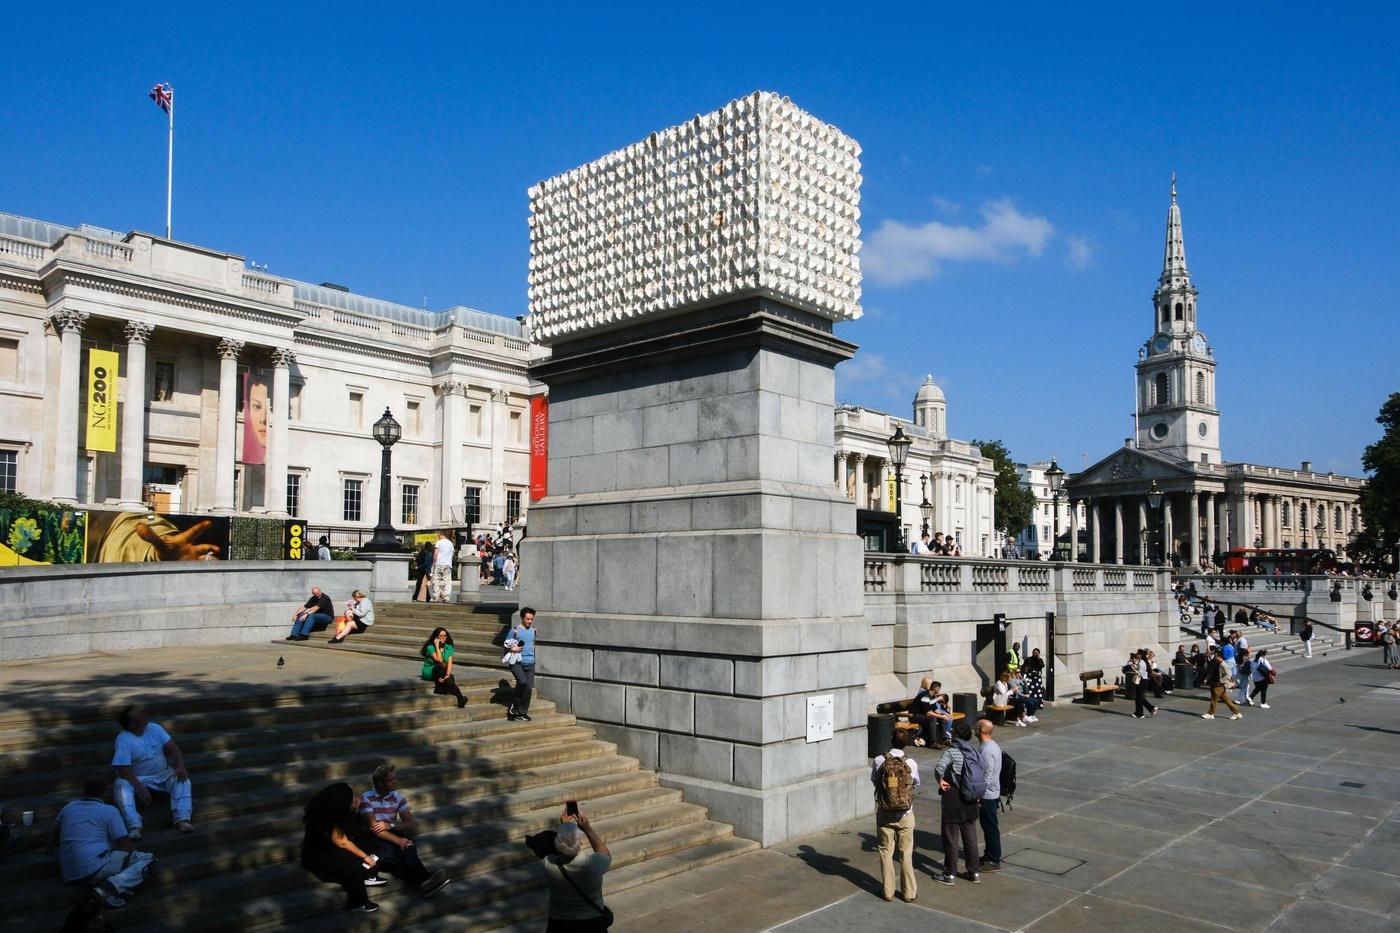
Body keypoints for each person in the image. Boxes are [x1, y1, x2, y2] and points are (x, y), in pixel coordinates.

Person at [47, 774, 156, 908]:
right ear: (104, 792)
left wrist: (48, 848)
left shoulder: (68, 808)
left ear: (83, 790)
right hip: (92, 869)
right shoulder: (109, 811)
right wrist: (131, 861)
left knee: (111, 856)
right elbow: (125, 843)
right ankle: (109, 889)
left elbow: (56, 832)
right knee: (147, 860)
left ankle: (114, 886)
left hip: (69, 872)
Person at [358, 764, 450, 897]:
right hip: (372, 840)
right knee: (396, 855)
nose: (395, 781)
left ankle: (425, 881)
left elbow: (411, 824)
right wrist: (397, 840)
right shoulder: (367, 798)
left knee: (407, 847)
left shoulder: (397, 797)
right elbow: (374, 828)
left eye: (395, 778)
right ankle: (425, 879)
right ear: (380, 783)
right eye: (391, 780)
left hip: (389, 832)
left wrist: (391, 826)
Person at [301, 783, 385, 914]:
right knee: (349, 859)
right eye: (350, 798)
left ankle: (369, 875)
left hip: (332, 849)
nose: (354, 798)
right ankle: (358, 902)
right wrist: (365, 856)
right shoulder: (325, 816)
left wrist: (357, 807)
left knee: (371, 842)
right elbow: (341, 842)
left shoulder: (335, 812)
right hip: (318, 857)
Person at [111, 706, 193, 838]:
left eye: (142, 713)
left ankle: (182, 819)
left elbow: (173, 747)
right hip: (136, 778)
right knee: (121, 785)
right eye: (140, 715)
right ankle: (134, 826)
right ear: (131, 723)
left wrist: (180, 766)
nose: (144, 714)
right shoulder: (124, 739)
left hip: (162, 774)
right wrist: (140, 788)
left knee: (182, 779)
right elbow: (122, 769)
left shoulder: (154, 728)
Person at [541, 806, 612, 932]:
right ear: (580, 842)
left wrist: (564, 828)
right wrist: (587, 828)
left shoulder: (547, 864)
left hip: (559, 925)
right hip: (591, 924)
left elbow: (558, 850)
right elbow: (605, 854)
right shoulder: (593, 864)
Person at [871, 731, 919, 902]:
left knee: (886, 852)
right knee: (905, 854)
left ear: (890, 740)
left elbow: (875, 780)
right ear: (906, 744)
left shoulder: (879, 760)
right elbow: (915, 782)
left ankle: (888, 891)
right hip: (906, 814)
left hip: (885, 813)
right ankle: (909, 892)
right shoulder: (911, 763)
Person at [934, 722, 981, 885]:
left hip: (953, 796)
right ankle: (974, 871)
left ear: (955, 735)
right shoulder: (974, 751)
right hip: (971, 797)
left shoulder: (952, 752)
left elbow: (939, 768)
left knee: (951, 836)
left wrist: (940, 781)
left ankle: (950, 874)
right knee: (971, 836)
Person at [975, 720, 1003, 872]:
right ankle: (989, 855)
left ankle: (993, 860)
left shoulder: (986, 750)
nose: (974, 729)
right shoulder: (992, 745)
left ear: (980, 731)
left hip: (988, 795)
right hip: (992, 793)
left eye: (976, 727)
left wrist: (979, 795)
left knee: (991, 828)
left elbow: (986, 775)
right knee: (988, 827)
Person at [421, 628, 468, 708]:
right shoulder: (430, 646)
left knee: (450, 677)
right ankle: (459, 697)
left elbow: (450, 662)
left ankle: (456, 697)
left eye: (445, 636)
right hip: (430, 671)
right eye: (441, 636)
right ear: (436, 637)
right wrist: (436, 645)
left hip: (441, 672)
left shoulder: (448, 646)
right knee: (441, 665)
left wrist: (447, 674)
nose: (443, 638)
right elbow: (439, 659)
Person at [508, 607, 538, 721]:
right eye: (527, 619)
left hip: (530, 663)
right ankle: (513, 707)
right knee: (522, 682)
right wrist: (513, 649)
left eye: (531, 619)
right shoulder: (514, 630)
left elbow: (533, 644)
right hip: (516, 662)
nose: (529, 621)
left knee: (528, 688)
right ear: (522, 618)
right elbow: (506, 645)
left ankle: (522, 712)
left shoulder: (534, 630)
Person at [1201, 646, 1242, 721]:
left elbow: (1229, 674)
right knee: (1226, 700)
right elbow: (1212, 671)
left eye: (1216, 656)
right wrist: (1207, 678)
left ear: (1219, 656)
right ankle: (1236, 713)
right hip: (1215, 683)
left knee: (1213, 699)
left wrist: (1221, 680)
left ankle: (1210, 713)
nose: (1215, 657)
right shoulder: (1216, 662)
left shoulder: (1223, 664)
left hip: (1218, 685)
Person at [1131, 650, 1158, 719]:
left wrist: (1135, 669)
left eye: (1138, 654)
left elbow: (1139, 673)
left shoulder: (1142, 662)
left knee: (1139, 697)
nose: (1137, 655)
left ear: (1141, 655)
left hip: (1141, 680)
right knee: (1139, 697)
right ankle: (1150, 709)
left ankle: (1140, 713)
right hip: (1143, 680)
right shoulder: (1142, 661)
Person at [430, 530, 455, 603]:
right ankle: (446, 597)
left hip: (439, 563)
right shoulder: (450, 543)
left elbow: (435, 554)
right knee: (447, 581)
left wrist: (434, 562)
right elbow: (452, 554)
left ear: (441, 534)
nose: (437, 535)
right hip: (447, 564)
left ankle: (436, 596)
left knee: (436, 580)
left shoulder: (439, 542)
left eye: (438, 534)